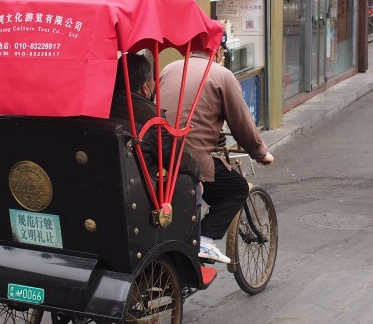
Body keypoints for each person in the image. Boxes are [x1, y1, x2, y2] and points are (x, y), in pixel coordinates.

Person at [158, 37, 274, 264]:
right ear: (219, 50)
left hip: (158, 155)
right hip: (192, 161)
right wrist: (260, 152)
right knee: (236, 188)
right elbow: (241, 123)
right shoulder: (221, 74)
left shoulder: (169, 68)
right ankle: (203, 238)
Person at [109, 53, 201, 182]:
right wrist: (197, 175)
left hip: (109, 180)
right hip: (141, 189)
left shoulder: (104, 106)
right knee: (193, 184)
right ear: (145, 88)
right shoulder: (151, 118)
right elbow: (184, 163)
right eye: (152, 80)